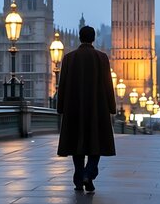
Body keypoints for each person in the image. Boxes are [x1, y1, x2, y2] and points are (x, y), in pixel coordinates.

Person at [57, 25, 116, 193]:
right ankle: (89, 174)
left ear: (80, 38)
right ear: (93, 39)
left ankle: (78, 177)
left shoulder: (69, 58)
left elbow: (63, 85)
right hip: (97, 108)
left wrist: (60, 107)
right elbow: (108, 84)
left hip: (74, 107)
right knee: (95, 144)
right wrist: (112, 107)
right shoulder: (102, 57)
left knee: (77, 145)